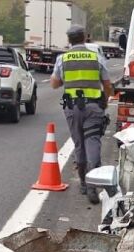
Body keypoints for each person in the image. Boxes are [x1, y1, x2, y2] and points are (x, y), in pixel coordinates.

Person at [50, 25, 113, 204]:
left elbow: (54, 84)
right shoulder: (96, 57)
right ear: (85, 38)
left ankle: (84, 184)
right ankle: (93, 184)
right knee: (92, 141)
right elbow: (107, 84)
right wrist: (106, 100)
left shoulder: (63, 59)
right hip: (93, 107)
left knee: (79, 144)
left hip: (72, 107)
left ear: (69, 40)